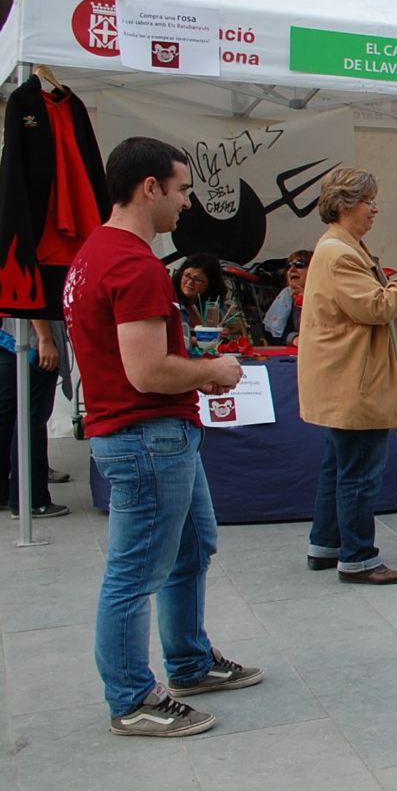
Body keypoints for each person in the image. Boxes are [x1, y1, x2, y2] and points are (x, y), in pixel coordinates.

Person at [64, 136, 259, 738]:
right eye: (180, 191)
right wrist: (213, 372)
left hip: (154, 433)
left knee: (193, 548)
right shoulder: (134, 263)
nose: (186, 204)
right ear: (150, 188)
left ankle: (190, 662)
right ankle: (132, 699)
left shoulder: (95, 254)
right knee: (135, 574)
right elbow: (146, 371)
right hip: (147, 436)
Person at [296, 167, 397, 585]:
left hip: (346, 377)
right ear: (343, 205)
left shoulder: (340, 246)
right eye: (368, 201)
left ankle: (326, 544)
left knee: (339, 466)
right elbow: (377, 306)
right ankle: (357, 557)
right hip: (355, 381)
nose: (375, 209)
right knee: (358, 472)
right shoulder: (339, 252)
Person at [0, 317, 70, 518]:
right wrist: (45, 338)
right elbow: (32, 299)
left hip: (6, 334)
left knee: (6, 418)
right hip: (31, 341)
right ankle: (31, 500)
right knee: (30, 421)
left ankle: (7, 493)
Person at [262, 249, 310, 345]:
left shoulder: (324, 294)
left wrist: (308, 301)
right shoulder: (286, 295)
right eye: (289, 266)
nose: (292, 269)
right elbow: (271, 334)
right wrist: (293, 338)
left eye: (299, 265)